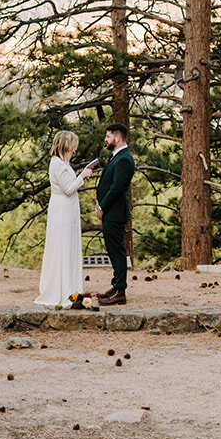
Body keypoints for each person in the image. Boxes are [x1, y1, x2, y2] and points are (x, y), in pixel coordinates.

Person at [34, 130, 94, 306]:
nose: (75, 149)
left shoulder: (63, 163)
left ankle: (71, 290)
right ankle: (62, 292)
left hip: (67, 209)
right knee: (63, 247)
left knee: (69, 247)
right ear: (66, 145)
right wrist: (82, 176)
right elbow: (68, 188)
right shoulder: (57, 164)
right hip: (61, 210)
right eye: (73, 145)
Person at [92, 122, 135, 305]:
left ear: (117, 138)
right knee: (112, 250)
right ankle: (116, 286)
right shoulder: (115, 156)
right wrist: (99, 202)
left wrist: (102, 206)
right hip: (110, 210)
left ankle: (120, 291)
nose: (105, 139)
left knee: (117, 251)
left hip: (115, 212)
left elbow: (117, 188)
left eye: (108, 136)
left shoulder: (125, 159)